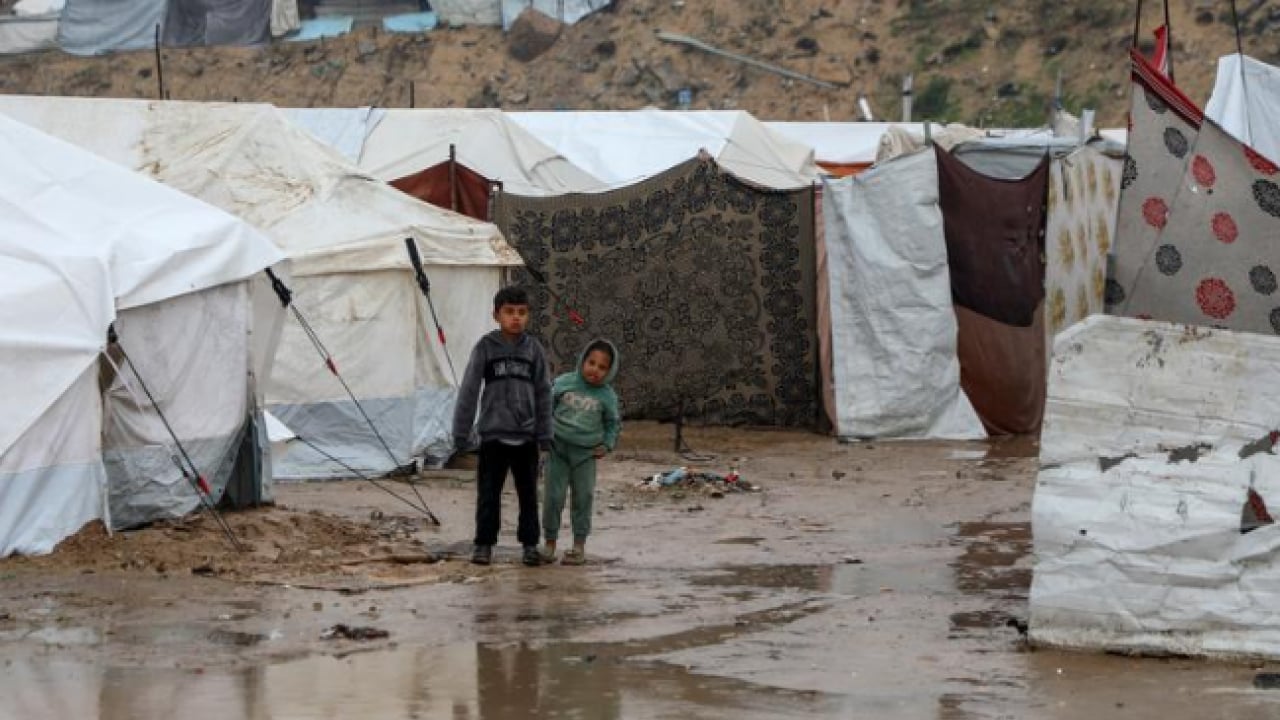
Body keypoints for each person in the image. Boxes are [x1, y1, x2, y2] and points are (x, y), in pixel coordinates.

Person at [452, 286, 552, 567]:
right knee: (488, 494)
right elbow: (469, 390)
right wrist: (461, 434)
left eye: (521, 312)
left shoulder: (534, 350)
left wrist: (546, 434)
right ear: (496, 315)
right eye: (509, 312)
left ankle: (530, 545)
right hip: (493, 436)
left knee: (529, 495)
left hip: (527, 437)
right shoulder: (485, 347)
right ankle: (483, 545)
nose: (516, 318)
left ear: (528, 316)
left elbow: (544, 393)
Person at [541, 339, 621, 566]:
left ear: (609, 371)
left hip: (586, 455)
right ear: (582, 360)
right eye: (591, 362)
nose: (595, 369)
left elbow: (613, 424)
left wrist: (607, 444)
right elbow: (547, 406)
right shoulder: (564, 382)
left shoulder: (607, 396)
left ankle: (578, 547)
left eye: (602, 367)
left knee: (583, 497)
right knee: (553, 497)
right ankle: (549, 544)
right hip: (558, 449)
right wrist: (544, 433)